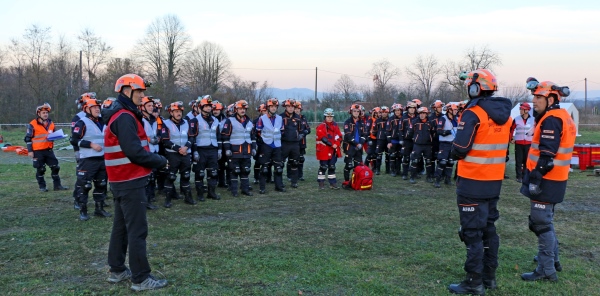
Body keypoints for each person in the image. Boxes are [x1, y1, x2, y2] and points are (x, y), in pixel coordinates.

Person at [448, 69, 512, 295]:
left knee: (472, 233)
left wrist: (452, 152)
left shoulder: (473, 113)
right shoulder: (506, 115)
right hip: (493, 181)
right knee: (488, 229)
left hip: (472, 181)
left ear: (475, 88)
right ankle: (489, 277)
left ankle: (473, 282)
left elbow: (461, 148)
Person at [104, 74, 168, 291]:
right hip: (129, 180)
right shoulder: (124, 117)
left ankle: (117, 269)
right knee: (137, 231)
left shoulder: (124, 114)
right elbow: (135, 152)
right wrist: (161, 161)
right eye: (139, 91)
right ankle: (141, 278)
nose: (143, 95)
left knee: (121, 228)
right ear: (126, 91)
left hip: (123, 180)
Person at [520, 78, 576, 282]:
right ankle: (552, 260)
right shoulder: (563, 116)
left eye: (539, 97)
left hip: (546, 179)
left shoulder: (552, 119)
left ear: (551, 99)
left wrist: (535, 178)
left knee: (540, 223)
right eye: (534, 97)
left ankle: (546, 269)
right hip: (557, 179)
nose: (534, 101)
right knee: (546, 222)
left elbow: (546, 155)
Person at [71, 98, 112, 220]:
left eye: (98, 107)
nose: (97, 109)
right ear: (87, 109)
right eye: (94, 107)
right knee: (85, 185)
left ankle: (99, 209)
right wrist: (91, 145)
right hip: (88, 160)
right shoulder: (82, 122)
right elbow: (74, 140)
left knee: (101, 184)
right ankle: (83, 210)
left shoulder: (103, 122)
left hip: (102, 159)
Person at [24, 103, 69, 192]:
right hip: (37, 151)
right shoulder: (32, 124)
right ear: (39, 114)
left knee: (55, 167)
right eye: (43, 113)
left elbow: (53, 134)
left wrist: (59, 136)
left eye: (46, 113)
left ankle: (57, 186)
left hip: (48, 150)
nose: (45, 114)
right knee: (41, 169)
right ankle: (42, 187)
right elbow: (28, 138)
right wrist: (30, 151)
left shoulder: (51, 123)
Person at [161, 101, 195, 207]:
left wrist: (186, 147)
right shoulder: (165, 124)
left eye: (180, 111)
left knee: (186, 176)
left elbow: (192, 137)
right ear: (171, 112)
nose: (178, 113)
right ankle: (167, 199)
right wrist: (178, 149)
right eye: (176, 111)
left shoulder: (187, 123)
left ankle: (188, 197)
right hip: (172, 154)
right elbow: (165, 141)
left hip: (185, 153)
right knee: (171, 176)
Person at [221, 100, 256, 197]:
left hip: (247, 150)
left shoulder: (249, 122)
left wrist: (253, 147)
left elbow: (252, 137)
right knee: (234, 171)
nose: (242, 110)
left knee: (245, 170)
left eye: (244, 109)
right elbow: (225, 136)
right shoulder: (230, 121)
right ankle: (234, 191)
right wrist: (227, 149)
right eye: (240, 108)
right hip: (234, 151)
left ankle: (245, 189)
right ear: (236, 109)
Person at [191, 95, 222, 202]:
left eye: (210, 106)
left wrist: (219, 149)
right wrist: (194, 151)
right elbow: (192, 137)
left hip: (213, 149)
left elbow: (218, 136)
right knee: (199, 173)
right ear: (201, 107)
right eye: (206, 106)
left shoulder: (215, 120)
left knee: (213, 172)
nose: (209, 108)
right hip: (201, 149)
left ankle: (211, 193)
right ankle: (200, 194)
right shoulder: (195, 120)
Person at [255, 98, 286, 194]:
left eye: (275, 107)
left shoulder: (280, 118)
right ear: (268, 107)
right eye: (271, 106)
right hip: (266, 145)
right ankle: (262, 187)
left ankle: (279, 186)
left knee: (278, 167)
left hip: (277, 145)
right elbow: (258, 131)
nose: (273, 108)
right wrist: (264, 139)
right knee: (264, 168)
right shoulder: (262, 118)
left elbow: (282, 130)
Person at [139, 96, 161, 210]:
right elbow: (138, 135)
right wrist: (149, 140)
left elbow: (157, 133)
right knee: (147, 177)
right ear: (142, 107)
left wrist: (158, 138)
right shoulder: (140, 120)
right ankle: (145, 200)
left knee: (153, 176)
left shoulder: (153, 120)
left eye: (152, 106)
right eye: (149, 106)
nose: (151, 108)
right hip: (145, 151)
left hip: (154, 150)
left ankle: (150, 198)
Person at [316, 108, 343, 189]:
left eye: (331, 116)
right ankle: (321, 182)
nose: (330, 118)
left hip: (333, 150)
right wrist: (332, 144)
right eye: (328, 116)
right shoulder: (321, 126)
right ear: (325, 116)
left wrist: (337, 144)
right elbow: (323, 138)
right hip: (324, 150)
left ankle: (332, 182)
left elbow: (339, 136)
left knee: (332, 166)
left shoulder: (335, 125)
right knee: (323, 166)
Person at [408, 107, 435, 184]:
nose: (422, 115)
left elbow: (433, 132)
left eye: (423, 113)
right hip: (417, 145)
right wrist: (415, 139)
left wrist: (430, 140)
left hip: (428, 145)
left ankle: (429, 177)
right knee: (415, 161)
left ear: (426, 114)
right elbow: (410, 132)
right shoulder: (414, 122)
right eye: (420, 113)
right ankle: (412, 177)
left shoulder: (430, 122)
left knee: (429, 161)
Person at [434, 103, 458, 188]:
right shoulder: (443, 119)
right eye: (454, 110)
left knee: (451, 162)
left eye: (456, 110)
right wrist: (448, 131)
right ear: (449, 110)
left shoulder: (456, 119)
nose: (456, 111)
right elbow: (439, 131)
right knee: (442, 162)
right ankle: (437, 180)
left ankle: (447, 179)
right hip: (444, 144)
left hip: (453, 143)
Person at [280, 99, 302, 188]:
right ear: (285, 107)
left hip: (295, 144)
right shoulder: (280, 117)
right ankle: (279, 182)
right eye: (288, 106)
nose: (290, 108)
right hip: (284, 143)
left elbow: (302, 129)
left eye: (292, 107)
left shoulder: (298, 117)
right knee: (280, 163)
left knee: (295, 163)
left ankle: (294, 182)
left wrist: (301, 135)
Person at [342, 104, 366, 183]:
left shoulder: (362, 122)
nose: (356, 113)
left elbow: (364, 134)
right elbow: (348, 135)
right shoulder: (347, 122)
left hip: (359, 146)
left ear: (360, 112)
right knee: (349, 165)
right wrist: (356, 144)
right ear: (351, 112)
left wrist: (361, 143)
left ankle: (355, 181)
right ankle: (346, 181)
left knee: (357, 166)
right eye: (354, 111)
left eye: (357, 111)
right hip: (350, 146)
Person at [511, 102, 534, 183]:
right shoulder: (516, 119)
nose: (520, 111)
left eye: (522, 109)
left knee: (526, 161)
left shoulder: (533, 120)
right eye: (520, 109)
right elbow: (511, 129)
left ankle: (525, 176)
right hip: (519, 143)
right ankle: (519, 177)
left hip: (529, 143)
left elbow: (536, 129)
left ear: (527, 110)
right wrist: (511, 138)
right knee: (519, 160)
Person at [399, 101, 417, 180]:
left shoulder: (418, 117)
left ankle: (414, 173)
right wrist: (401, 139)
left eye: (413, 108)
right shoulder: (403, 117)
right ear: (407, 109)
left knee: (415, 158)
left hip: (416, 141)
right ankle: (405, 173)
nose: (412, 110)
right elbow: (400, 130)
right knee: (406, 158)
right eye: (411, 108)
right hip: (406, 141)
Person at [293, 101, 311, 181]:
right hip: (293, 142)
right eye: (295, 109)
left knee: (301, 159)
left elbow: (308, 129)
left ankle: (300, 175)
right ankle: (291, 175)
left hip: (302, 142)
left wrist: (303, 133)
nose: (297, 110)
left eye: (298, 109)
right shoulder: (291, 118)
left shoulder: (303, 118)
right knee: (293, 159)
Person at [386, 103, 404, 177]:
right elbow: (387, 131)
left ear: (401, 110)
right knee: (393, 155)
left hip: (402, 139)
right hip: (393, 140)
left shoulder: (404, 118)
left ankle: (398, 170)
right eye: (396, 110)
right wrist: (389, 142)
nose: (397, 112)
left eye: (398, 110)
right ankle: (392, 170)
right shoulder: (390, 119)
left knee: (400, 155)